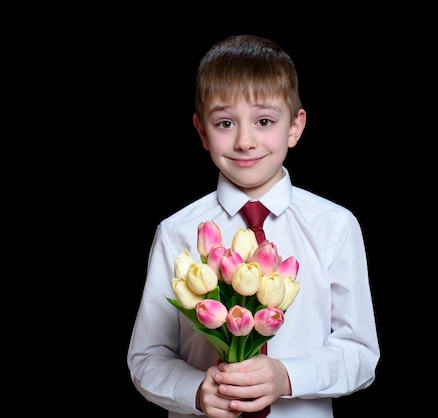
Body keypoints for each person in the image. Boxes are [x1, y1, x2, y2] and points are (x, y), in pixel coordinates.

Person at [127, 34, 380, 418]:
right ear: (201, 131)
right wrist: (195, 390)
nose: (245, 141)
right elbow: (146, 357)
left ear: (295, 127)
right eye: (225, 122)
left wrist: (286, 376)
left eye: (264, 121)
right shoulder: (177, 232)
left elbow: (360, 354)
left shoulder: (335, 226)